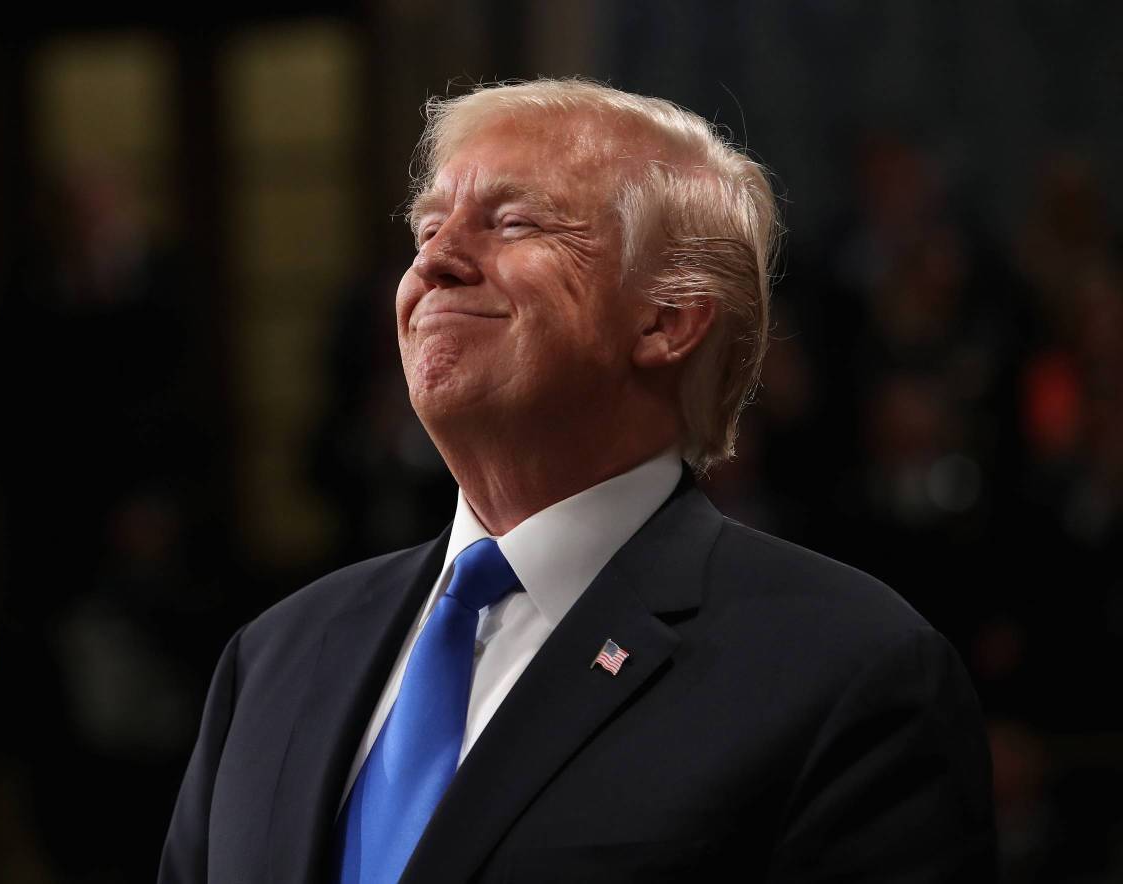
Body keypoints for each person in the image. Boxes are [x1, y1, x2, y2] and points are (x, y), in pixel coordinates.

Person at [158, 79, 995, 883]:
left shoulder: (849, 675)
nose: (436, 263)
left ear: (667, 318)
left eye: (513, 223)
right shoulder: (274, 658)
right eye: (426, 229)